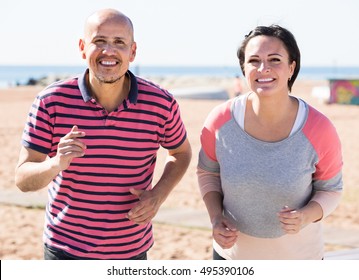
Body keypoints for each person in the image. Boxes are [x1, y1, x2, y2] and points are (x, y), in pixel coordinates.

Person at [15, 8, 192, 260]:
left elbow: (181, 152)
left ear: (132, 51)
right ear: (82, 47)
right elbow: (23, 179)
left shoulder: (160, 103)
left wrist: (158, 195)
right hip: (64, 251)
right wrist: (56, 163)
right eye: (99, 41)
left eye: (119, 42)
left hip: (130, 252)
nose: (109, 51)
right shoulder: (50, 101)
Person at [197, 25, 343, 260]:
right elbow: (208, 174)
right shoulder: (220, 120)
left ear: (291, 67)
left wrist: (305, 216)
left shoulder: (319, 128)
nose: (263, 68)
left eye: (275, 59)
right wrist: (215, 217)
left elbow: (331, 189)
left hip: (300, 261)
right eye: (254, 60)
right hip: (230, 259)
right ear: (244, 68)